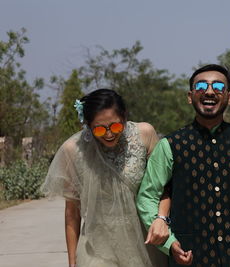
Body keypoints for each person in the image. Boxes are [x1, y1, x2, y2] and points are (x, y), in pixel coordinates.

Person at [137, 64, 230, 267]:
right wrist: (169, 242)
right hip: (187, 256)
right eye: (201, 86)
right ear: (190, 96)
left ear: (229, 97)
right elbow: (147, 196)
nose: (209, 91)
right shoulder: (170, 145)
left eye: (218, 86)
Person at [41, 89, 169, 267]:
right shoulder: (73, 150)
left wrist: (162, 219)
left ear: (124, 117)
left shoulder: (144, 134)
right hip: (96, 246)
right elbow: (72, 212)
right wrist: (72, 261)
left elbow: (163, 186)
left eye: (115, 126)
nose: (109, 134)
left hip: (143, 242)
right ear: (88, 125)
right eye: (99, 129)